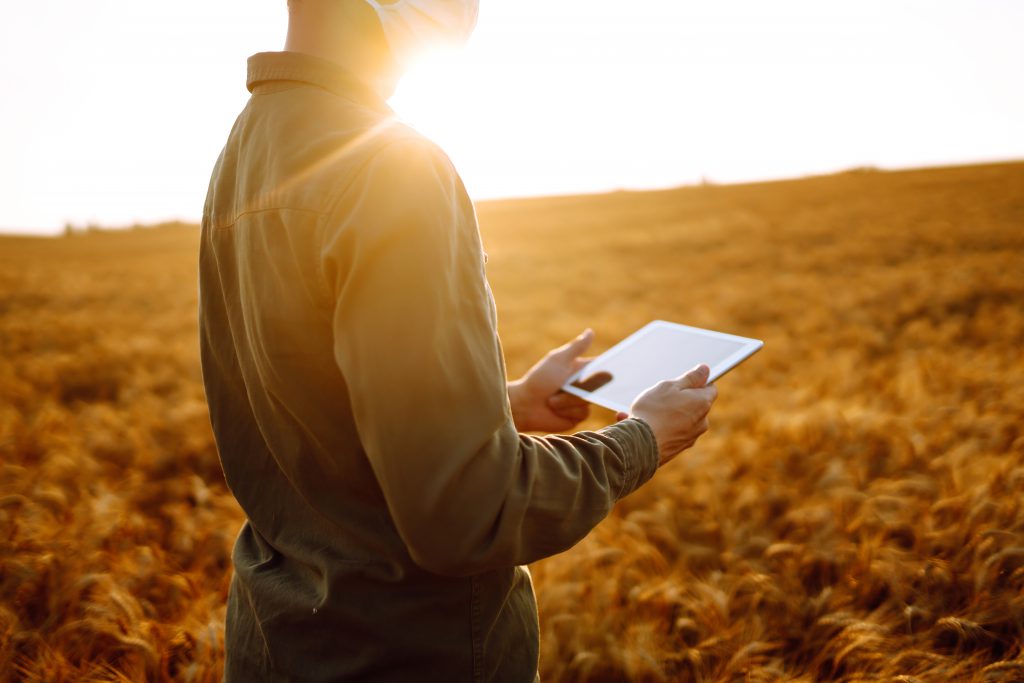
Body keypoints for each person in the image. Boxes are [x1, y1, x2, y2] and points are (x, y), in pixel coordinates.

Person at [197, 0, 718, 680]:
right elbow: (469, 511)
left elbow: (308, 402)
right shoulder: (392, 168)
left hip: (277, 641)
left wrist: (503, 402)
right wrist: (641, 438)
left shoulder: (245, 149)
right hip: (407, 651)